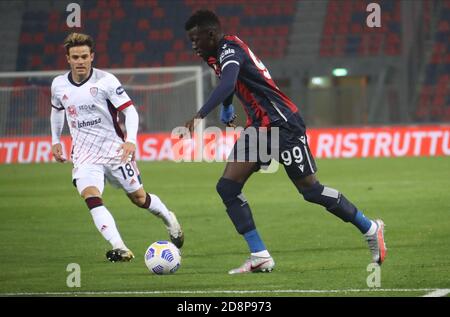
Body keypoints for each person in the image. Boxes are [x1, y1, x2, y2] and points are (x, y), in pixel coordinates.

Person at [183, 10, 386, 274]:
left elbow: (229, 80)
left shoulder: (230, 49)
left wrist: (201, 114)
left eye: (196, 39)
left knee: (311, 190)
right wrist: (227, 108)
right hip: (257, 127)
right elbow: (228, 83)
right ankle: (259, 255)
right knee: (227, 187)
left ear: (211, 34)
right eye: (191, 41)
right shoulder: (215, 55)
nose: (194, 46)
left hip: (283, 124)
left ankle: (370, 228)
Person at [50, 32, 184, 262]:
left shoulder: (106, 81)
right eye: (75, 57)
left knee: (139, 198)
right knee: (91, 196)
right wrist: (55, 140)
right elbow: (57, 110)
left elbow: (129, 110)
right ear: (68, 59)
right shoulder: (59, 84)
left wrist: (130, 140)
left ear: (92, 56)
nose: (80, 61)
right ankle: (120, 246)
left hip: (115, 152)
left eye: (84, 56)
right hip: (84, 156)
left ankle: (169, 218)